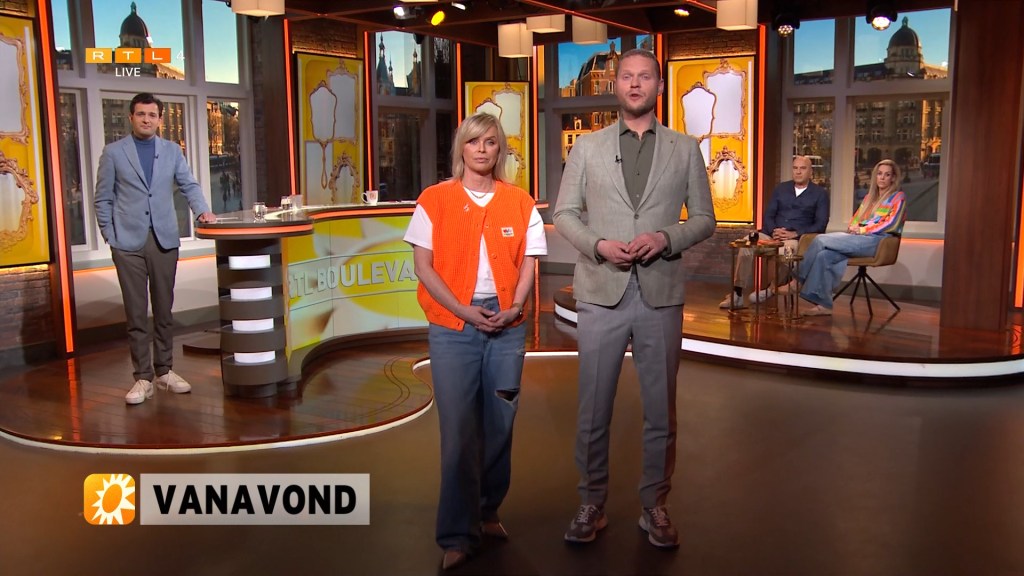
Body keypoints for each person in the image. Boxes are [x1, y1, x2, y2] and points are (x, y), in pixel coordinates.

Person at [553, 49, 716, 549]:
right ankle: (591, 502)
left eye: (645, 76)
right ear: (617, 85)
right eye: (627, 76)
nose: (635, 84)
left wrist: (665, 238)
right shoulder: (588, 148)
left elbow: (704, 219)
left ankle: (655, 506)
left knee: (661, 411)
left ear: (659, 86)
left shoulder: (685, 149)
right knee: (593, 409)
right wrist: (598, 245)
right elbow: (564, 214)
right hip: (601, 290)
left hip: (659, 293)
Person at [403, 112, 547, 571]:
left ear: (500, 149)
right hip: (453, 328)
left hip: (507, 327)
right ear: (461, 148)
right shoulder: (434, 200)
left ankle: (487, 512)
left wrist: (516, 306)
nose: (482, 149)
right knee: (459, 431)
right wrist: (464, 311)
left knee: (501, 424)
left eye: (490, 142)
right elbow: (423, 267)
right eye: (473, 141)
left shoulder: (520, 203)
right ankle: (456, 534)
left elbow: (529, 264)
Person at [94, 93, 216, 405]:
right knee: (136, 313)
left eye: (152, 115)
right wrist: (110, 235)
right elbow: (103, 198)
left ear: (160, 119)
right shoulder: (113, 153)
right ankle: (143, 378)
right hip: (127, 243)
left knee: (164, 309)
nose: (146, 119)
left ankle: (164, 371)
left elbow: (188, 185)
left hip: (164, 239)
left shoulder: (172, 151)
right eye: (141, 114)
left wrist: (202, 210)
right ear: (131, 117)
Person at [779, 159, 906, 316]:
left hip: (878, 241)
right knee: (824, 255)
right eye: (880, 174)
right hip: (860, 238)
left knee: (820, 239)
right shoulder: (869, 198)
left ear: (893, 178)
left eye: (887, 175)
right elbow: (856, 218)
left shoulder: (897, 197)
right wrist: (852, 228)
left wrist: (862, 230)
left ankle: (796, 281)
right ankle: (824, 304)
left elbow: (890, 223)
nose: (882, 178)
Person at [720, 155, 829, 308]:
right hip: (771, 234)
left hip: (795, 239)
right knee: (745, 245)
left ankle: (771, 289)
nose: (798, 172)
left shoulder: (820, 194)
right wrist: (774, 231)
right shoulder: (781, 189)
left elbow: (820, 224)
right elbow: (769, 215)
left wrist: (795, 233)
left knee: (787, 252)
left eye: (803, 168)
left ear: (811, 172)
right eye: (795, 168)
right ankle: (737, 293)